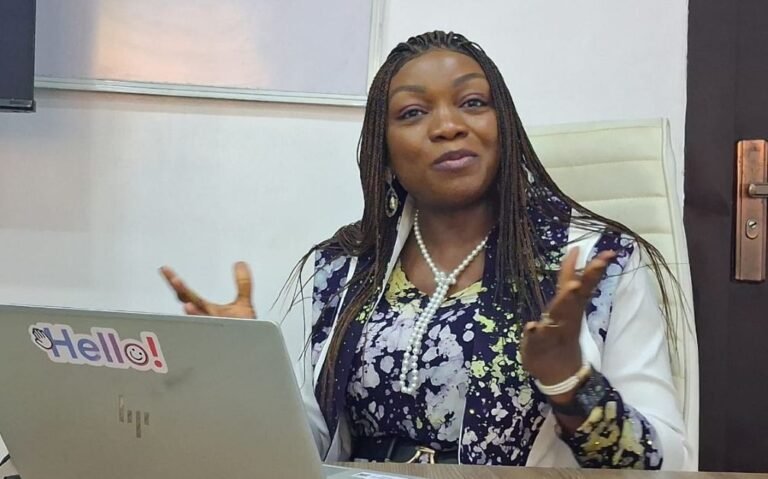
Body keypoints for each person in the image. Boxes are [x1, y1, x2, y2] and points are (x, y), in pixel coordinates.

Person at [160, 31, 689, 469]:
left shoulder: (597, 263)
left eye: (473, 103)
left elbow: (665, 464)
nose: (448, 126)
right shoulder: (343, 268)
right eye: (413, 112)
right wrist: (248, 371)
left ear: (503, 126)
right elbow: (306, 450)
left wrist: (568, 380)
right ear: (384, 149)